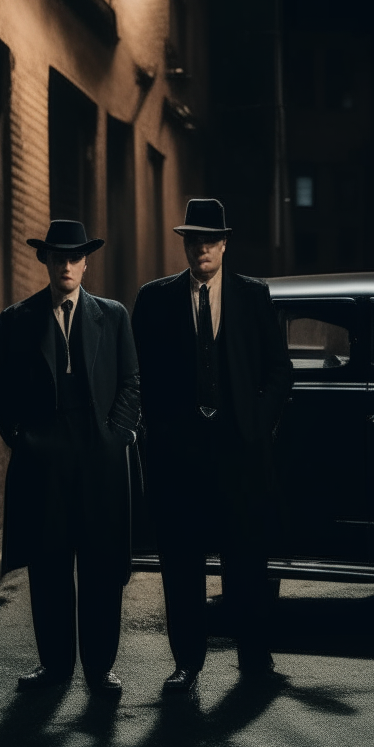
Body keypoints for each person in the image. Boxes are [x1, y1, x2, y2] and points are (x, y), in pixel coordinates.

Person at [131, 198, 293, 693]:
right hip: (178, 458)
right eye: (193, 239)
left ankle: (254, 657)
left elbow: (279, 371)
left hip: (239, 453)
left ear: (224, 244)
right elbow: (137, 376)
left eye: (210, 239)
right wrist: (156, 434)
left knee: (246, 560)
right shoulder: (155, 299)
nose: (201, 247)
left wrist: (256, 424)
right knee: (182, 565)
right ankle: (187, 663)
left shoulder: (253, 295)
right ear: (184, 244)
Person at [0, 220, 140, 695]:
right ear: (46, 262)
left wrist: (115, 437)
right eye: (58, 257)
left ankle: (99, 668)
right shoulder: (17, 318)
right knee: (49, 567)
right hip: (44, 463)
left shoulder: (112, 316)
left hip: (99, 460)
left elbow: (132, 383)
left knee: (101, 568)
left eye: (75, 257)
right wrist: (20, 437)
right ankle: (54, 668)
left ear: (86, 262)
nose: (67, 265)